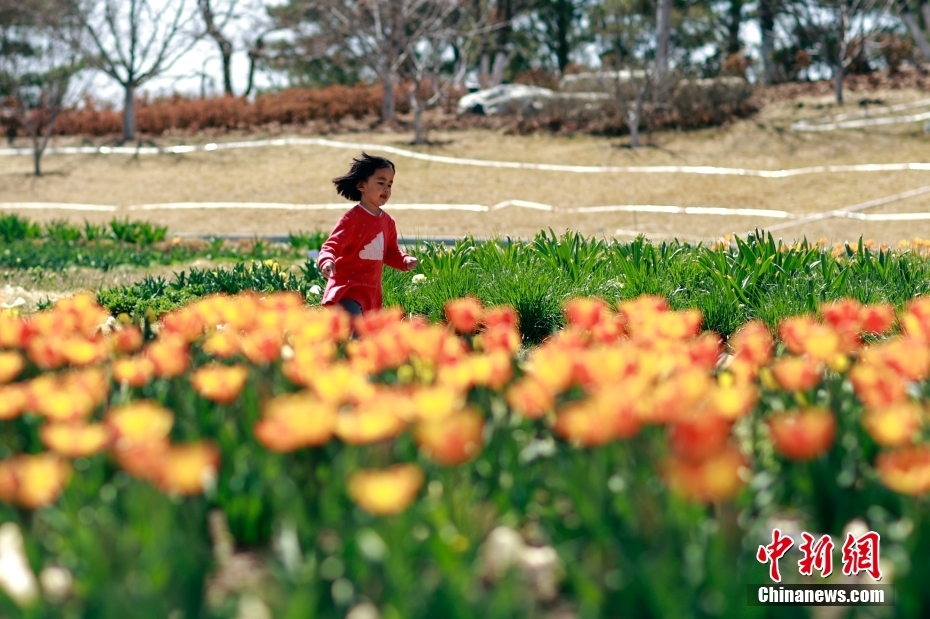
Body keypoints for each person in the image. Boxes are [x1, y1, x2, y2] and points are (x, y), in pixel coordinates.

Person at [317, 153, 418, 319]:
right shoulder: (351, 219)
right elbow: (331, 246)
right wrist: (327, 260)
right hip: (348, 289)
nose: (386, 188)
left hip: (371, 292)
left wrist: (404, 261)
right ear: (361, 185)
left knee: (359, 338)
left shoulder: (388, 222)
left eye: (390, 184)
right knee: (355, 333)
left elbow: (390, 252)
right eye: (381, 182)